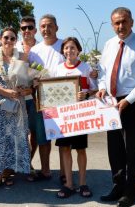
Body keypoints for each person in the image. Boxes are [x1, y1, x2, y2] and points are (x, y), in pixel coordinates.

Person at [97, 7, 135, 207]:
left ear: (132, 22)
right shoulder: (108, 45)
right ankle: (118, 186)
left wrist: (128, 100)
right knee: (114, 149)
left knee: (131, 149)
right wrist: (102, 88)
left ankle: (130, 193)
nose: (120, 26)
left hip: (133, 103)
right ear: (112, 24)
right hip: (112, 103)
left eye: (124, 22)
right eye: (116, 23)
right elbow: (102, 72)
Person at [0, 27, 32, 191]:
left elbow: (29, 84)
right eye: (5, 38)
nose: (8, 41)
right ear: (0, 39)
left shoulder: (23, 57)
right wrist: (4, 92)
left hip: (17, 104)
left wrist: (26, 90)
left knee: (14, 137)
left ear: (15, 40)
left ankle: (9, 173)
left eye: (12, 38)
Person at [53, 37, 97, 198]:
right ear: (62, 51)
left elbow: (94, 89)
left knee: (80, 149)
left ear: (78, 50)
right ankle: (69, 184)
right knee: (64, 148)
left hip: (80, 115)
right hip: (63, 116)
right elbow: (52, 91)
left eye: (72, 48)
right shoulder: (57, 69)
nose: (69, 51)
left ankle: (83, 183)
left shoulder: (85, 68)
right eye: (66, 48)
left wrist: (86, 93)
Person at [27, 14, 64, 181]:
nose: (46, 29)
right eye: (43, 26)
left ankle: (65, 173)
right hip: (40, 98)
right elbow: (29, 74)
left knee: (64, 139)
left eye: (49, 26)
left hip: (63, 97)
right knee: (42, 136)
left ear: (56, 27)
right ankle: (46, 170)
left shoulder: (65, 46)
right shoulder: (34, 51)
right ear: (39, 29)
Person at [15, 15, 39, 174]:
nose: (27, 30)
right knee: (18, 132)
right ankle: (19, 162)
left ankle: (28, 162)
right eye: (24, 28)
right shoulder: (14, 47)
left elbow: (45, 73)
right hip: (16, 98)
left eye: (30, 27)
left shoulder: (41, 49)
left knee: (35, 133)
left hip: (36, 98)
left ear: (35, 30)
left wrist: (33, 87)